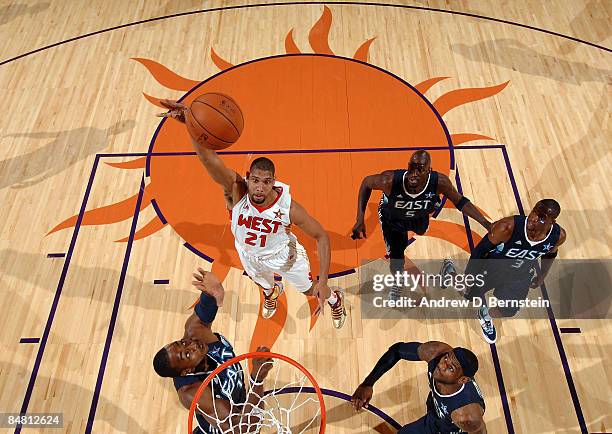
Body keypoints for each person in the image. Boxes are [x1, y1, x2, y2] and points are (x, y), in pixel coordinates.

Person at [157, 100, 347, 329]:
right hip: (248, 253)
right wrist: (191, 121)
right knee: (263, 283)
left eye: (266, 182)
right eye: (255, 180)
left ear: (273, 182)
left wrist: (324, 281)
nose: (259, 187)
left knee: (310, 289)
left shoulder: (288, 207)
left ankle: (335, 299)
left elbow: (321, 236)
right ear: (249, 178)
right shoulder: (236, 190)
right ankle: (272, 292)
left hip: (284, 256)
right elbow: (208, 159)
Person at [351, 150, 491, 298]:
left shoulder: (440, 183)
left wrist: (486, 224)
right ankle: (398, 281)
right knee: (396, 257)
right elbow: (366, 182)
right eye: (412, 167)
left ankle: (445, 268)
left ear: (429, 171)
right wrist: (360, 217)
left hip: (419, 217)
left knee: (421, 229)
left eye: (420, 169)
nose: (414, 173)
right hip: (393, 220)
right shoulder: (389, 181)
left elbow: (460, 201)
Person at [153, 269, 273, 433]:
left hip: (240, 405)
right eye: (187, 354)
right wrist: (256, 380)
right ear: (187, 370)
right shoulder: (193, 393)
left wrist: (212, 294)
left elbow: (205, 310)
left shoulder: (194, 332)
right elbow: (242, 429)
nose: (192, 345)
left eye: (183, 343)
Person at [441, 199, 566, 343]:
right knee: (466, 293)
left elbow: (550, 254)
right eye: (534, 212)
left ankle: (485, 314)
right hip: (492, 268)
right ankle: (449, 272)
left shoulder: (558, 237)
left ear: (553, 222)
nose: (534, 218)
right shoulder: (507, 227)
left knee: (509, 310)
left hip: (520, 275)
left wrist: (542, 275)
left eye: (542, 218)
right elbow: (479, 252)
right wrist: (469, 277)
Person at [351, 341, 486, 433]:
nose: (442, 365)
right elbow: (397, 350)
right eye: (446, 358)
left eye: (451, 367)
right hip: (434, 415)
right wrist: (368, 384)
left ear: (462, 380)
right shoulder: (435, 353)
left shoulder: (466, 415)